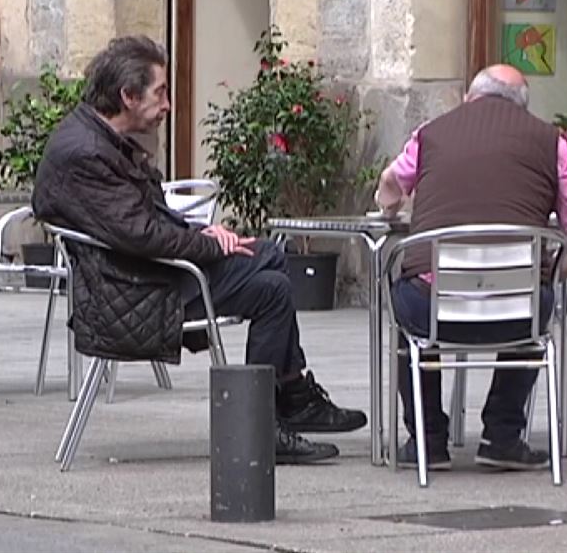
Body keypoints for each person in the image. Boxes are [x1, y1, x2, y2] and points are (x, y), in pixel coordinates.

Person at [32, 36, 367, 465]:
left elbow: (138, 220)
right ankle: (280, 407)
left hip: (141, 275)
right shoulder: (85, 152)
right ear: (128, 97)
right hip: (130, 293)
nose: (168, 104)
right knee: (269, 262)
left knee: (271, 285)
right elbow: (141, 235)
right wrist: (208, 243)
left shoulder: (96, 138)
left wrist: (204, 230)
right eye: (161, 93)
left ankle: (273, 413)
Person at [376, 64, 567, 470]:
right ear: (522, 107)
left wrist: (389, 205)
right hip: (515, 315)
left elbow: (390, 182)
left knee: (406, 307)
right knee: (535, 301)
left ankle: (427, 441)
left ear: (471, 98)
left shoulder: (432, 134)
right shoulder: (551, 144)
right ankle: (503, 437)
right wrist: (550, 274)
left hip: (434, 310)